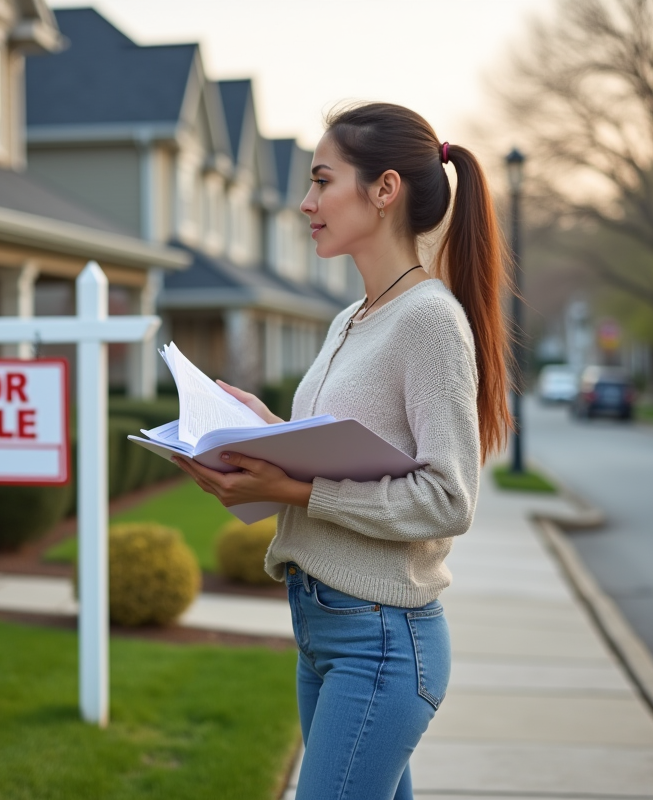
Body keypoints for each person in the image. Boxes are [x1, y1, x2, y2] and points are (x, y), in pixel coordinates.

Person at [171, 102, 511, 800]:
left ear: (384, 190)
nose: (306, 203)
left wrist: (296, 490)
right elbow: (342, 448)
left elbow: (450, 498)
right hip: (324, 630)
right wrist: (259, 435)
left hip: (381, 641)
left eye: (323, 181)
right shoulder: (349, 318)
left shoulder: (430, 322)